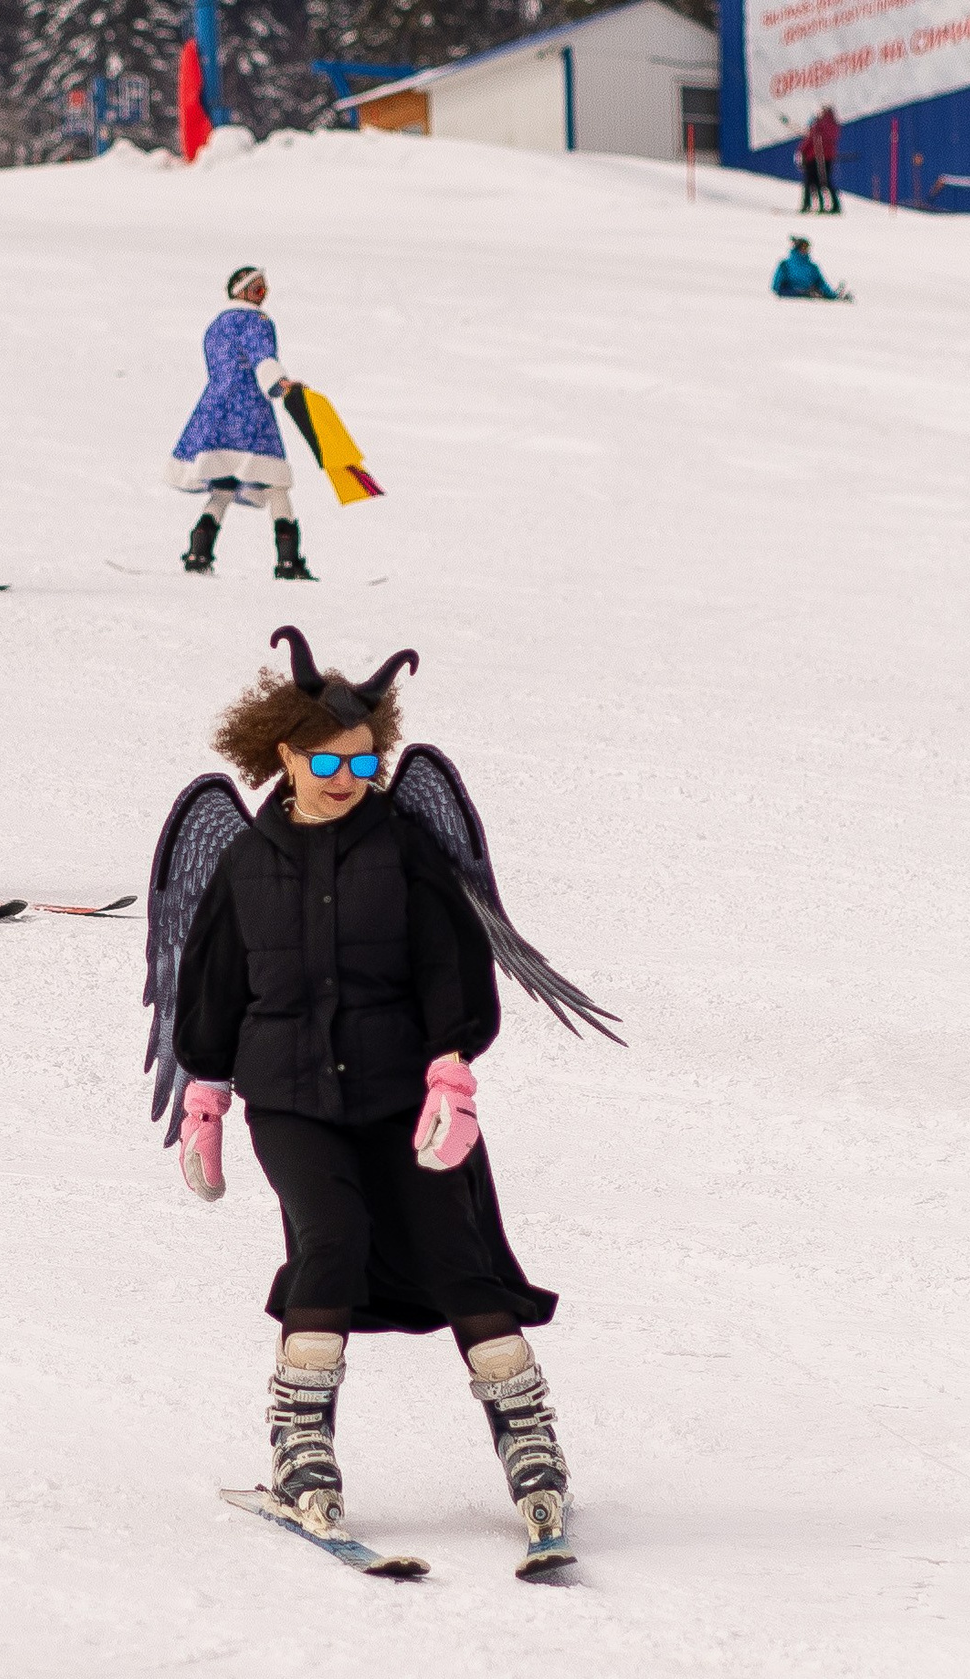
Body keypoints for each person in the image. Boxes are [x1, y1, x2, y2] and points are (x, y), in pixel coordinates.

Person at [143, 629, 623, 1578]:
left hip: (407, 1093)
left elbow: (452, 961)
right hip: (288, 1096)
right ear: (282, 753)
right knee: (329, 1239)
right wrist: (205, 1091)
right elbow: (212, 983)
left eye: (364, 760)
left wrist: (452, 1067)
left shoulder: (404, 847)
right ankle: (301, 1454)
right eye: (325, 759)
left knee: (460, 1258)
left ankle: (534, 1455)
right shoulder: (245, 861)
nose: (345, 775)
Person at [168, 266, 314, 580]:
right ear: (243, 292)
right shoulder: (256, 321)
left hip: (215, 407)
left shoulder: (217, 324)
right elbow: (262, 357)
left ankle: (198, 552)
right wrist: (280, 384)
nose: (264, 295)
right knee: (275, 482)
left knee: (224, 483)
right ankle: (288, 561)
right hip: (248, 409)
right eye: (259, 289)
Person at [770, 236, 841, 300]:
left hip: (811, 297)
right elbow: (776, 287)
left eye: (807, 248)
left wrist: (832, 295)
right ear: (797, 249)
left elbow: (821, 283)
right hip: (790, 299)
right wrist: (798, 293)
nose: (806, 250)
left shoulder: (812, 267)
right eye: (803, 247)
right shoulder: (785, 264)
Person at [805, 106, 842, 213]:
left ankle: (817, 204)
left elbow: (812, 139)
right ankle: (833, 204)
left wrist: (816, 124)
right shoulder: (833, 125)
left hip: (818, 156)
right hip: (828, 156)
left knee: (816, 181)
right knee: (825, 181)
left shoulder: (821, 124)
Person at [796, 130, 823, 214]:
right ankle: (821, 205)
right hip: (816, 163)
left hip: (810, 163)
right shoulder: (818, 137)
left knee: (808, 185)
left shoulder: (811, 137)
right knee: (816, 185)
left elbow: (802, 148)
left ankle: (806, 205)